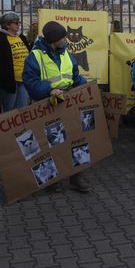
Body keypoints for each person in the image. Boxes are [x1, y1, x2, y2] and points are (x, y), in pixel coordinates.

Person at [23, 21, 90, 193]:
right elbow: (30, 82)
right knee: (53, 142)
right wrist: (50, 90)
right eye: (63, 37)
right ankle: (52, 180)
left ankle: (77, 176)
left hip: (68, 102)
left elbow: (75, 77)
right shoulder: (35, 56)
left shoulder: (66, 53)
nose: (66, 39)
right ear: (54, 39)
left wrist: (86, 86)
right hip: (48, 104)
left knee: (77, 139)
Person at [0, 12, 31, 111]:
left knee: (23, 109)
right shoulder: (0, 40)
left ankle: (22, 127)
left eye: (18, 22)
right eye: (15, 23)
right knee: (10, 112)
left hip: (23, 79)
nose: (18, 25)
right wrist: (4, 77)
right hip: (9, 82)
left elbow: (29, 54)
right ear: (7, 25)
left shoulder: (22, 38)